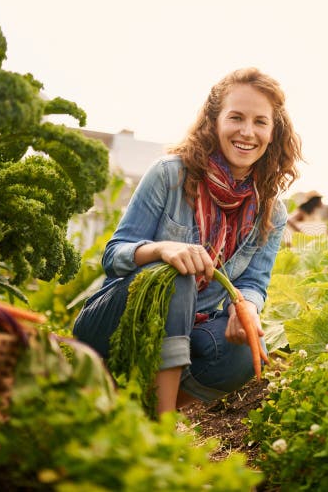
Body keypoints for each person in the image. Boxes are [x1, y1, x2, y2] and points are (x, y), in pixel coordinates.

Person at [73, 68, 302, 415]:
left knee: (243, 352)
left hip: (187, 330)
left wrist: (247, 308)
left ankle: (144, 412)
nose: (247, 132)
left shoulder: (270, 211)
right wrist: (163, 249)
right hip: (116, 324)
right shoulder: (169, 175)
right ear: (214, 122)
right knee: (176, 275)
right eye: (236, 117)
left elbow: (253, 282)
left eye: (260, 122)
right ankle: (163, 430)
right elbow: (113, 255)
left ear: (273, 132)